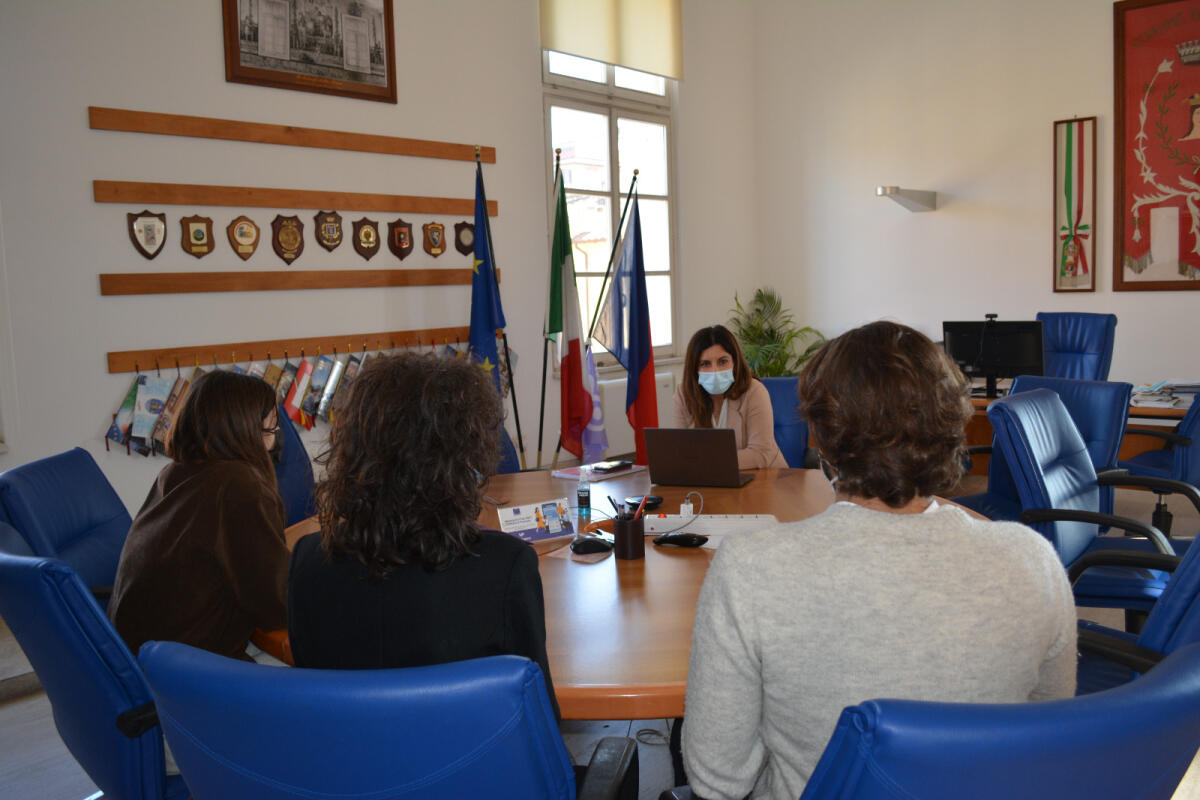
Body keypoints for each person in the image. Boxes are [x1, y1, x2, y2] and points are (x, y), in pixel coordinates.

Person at [682, 321, 1077, 800]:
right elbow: (1048, 737)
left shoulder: (749, 569)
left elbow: (715, 779)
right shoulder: (1033, 559)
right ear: (952, 427)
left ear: (821, 442)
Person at [287, 352, 558, 715]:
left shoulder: (307, 561)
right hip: (473, 766)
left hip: (347, 764)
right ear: (464, 453)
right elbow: (538, 714)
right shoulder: (504, 566)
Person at [109, 369, 289, 661]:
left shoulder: (176, 472)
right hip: (191, 670)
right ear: (244, 428)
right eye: (270, 426)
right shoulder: (237, 485)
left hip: (142, 654)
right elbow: (277, 606)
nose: (275, 435)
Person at [673, 324, 786, 469]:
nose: (715, 370)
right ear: (694, 369)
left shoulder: (755, 391)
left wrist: (704, 460)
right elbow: (681, 451)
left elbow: (760, 454)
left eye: (722, 361)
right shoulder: (684, 395)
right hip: (711, 482)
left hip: (766, 478)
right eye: (705, 364)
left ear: (735, 362)